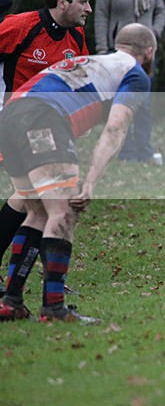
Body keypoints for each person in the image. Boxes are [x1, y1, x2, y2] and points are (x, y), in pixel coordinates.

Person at [0, 23, 156, 322]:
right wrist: (91, 183)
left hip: (11, 115)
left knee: (37, 211)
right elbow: (115, 128)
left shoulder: (96, 61)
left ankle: (12, 301)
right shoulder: (134, 73)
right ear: (148, 52)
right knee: (64, 211)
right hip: (42, 117)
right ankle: (54, 307)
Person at [0, 0, 92, 291]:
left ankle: (30, 282)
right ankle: (51, 281)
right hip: (17, 124)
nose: (89, 9)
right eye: (83, 1)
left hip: (49, 129)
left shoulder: (77, 39)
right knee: (47, 201)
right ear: (61, 2)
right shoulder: (20, 26)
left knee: (31, 199)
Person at [95, 0, 165, 163]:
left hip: (146, 51)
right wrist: (102, 48)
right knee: (123, 101)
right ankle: (124, 151)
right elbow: (101, 16)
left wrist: (154, 33)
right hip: (119, 51)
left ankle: (143, 150)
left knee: (144, 101)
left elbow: (160, 10)